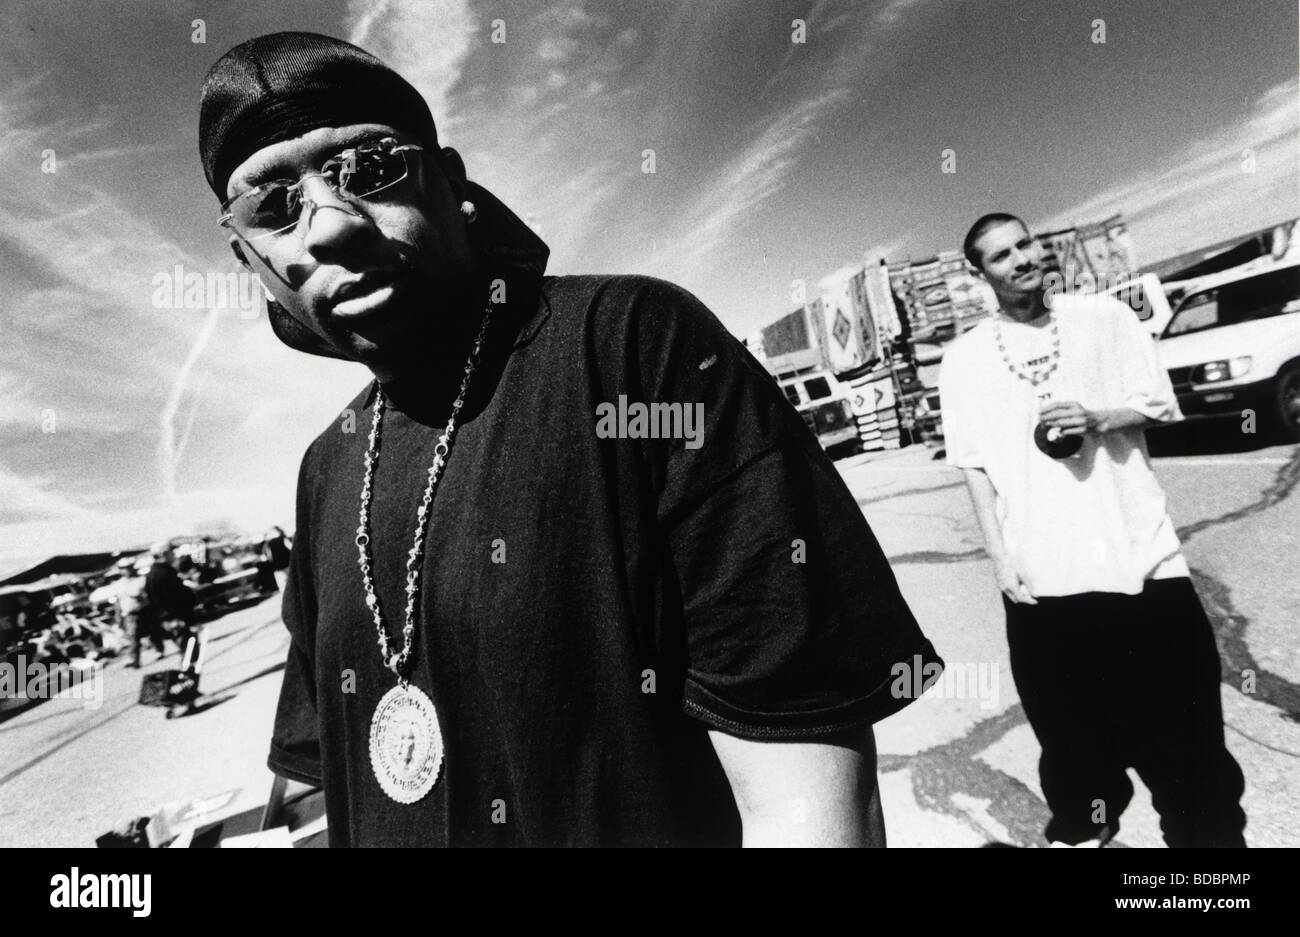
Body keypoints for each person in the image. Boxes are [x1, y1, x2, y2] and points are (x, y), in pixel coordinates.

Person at [197, 31, 943, 847]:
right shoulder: (325, 467)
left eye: (372, 168)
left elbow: (809, 802)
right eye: (274, 205)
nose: (331, 224)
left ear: (451, 183)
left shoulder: (637, 349)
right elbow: (317, 789)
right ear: (249, 258)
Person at [939, 212, 1246, 847]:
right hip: (1046, 580)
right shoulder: (965, 360)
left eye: (1025, 243)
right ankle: (1081, 833)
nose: (1021, 258)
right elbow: (973, 467)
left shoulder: (1105, 318)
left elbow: (1158, 403)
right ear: (981, 275)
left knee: (1191, 751)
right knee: (1075, 752)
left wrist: (1100, 417)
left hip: (1145, 563)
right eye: (1001, 256)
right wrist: (1000, 558)